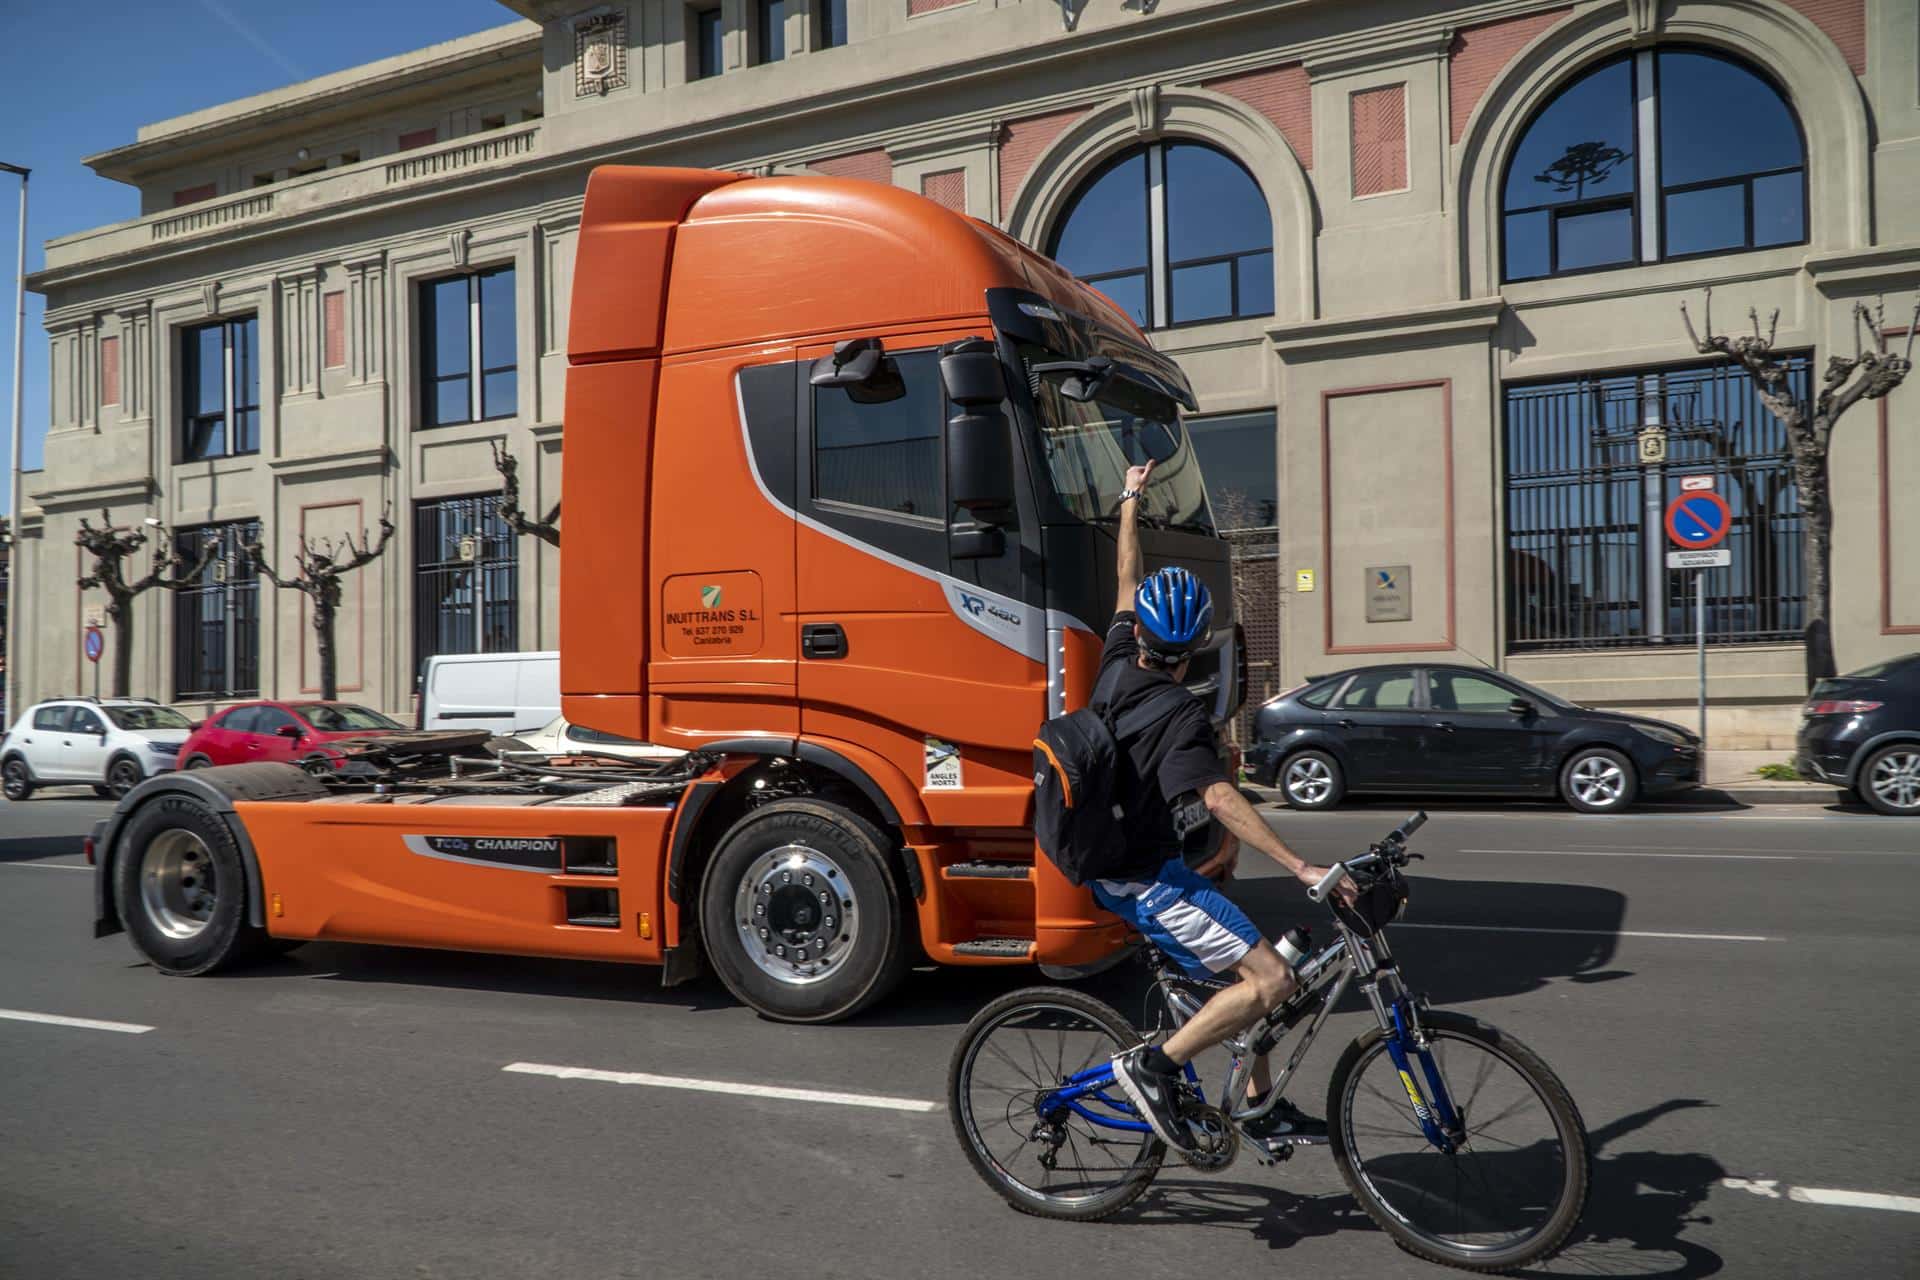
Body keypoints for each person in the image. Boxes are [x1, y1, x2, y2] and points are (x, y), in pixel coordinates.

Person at [1097, 458, 1358, 1153]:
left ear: (1145, 636)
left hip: (1140, 858)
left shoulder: (1118, 659)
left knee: (1255, 969)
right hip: (1140, 874)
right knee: (1270, 978)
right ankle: (1153, 1069)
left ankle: (1259, 1105)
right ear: (1193, 653)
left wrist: (1129, 498)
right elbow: (1217, 794)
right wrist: (1300, 866)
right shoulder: (1179, 714)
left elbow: (1126, 577)